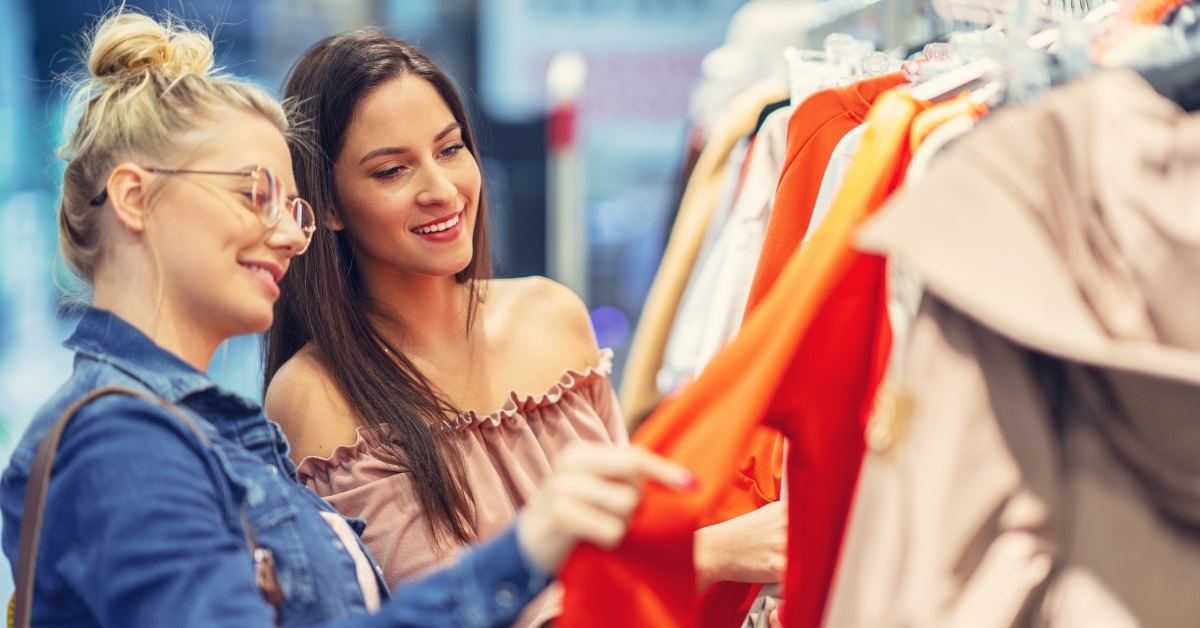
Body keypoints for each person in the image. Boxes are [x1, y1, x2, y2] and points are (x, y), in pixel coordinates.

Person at [0, 11, 695, 628]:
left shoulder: (206, 432)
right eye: (254, 195)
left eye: (289, 206)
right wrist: (528, 550)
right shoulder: (124, 439)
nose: (288, 235)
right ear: (133, 198)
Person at [263, 28, 786, 627]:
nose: (441, 190)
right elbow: (454, 613)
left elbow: (632, 533)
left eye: (451, 149)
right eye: (391, 171)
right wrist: (708, 554)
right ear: (327, 205)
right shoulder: (313, 392)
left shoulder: (551, 315)